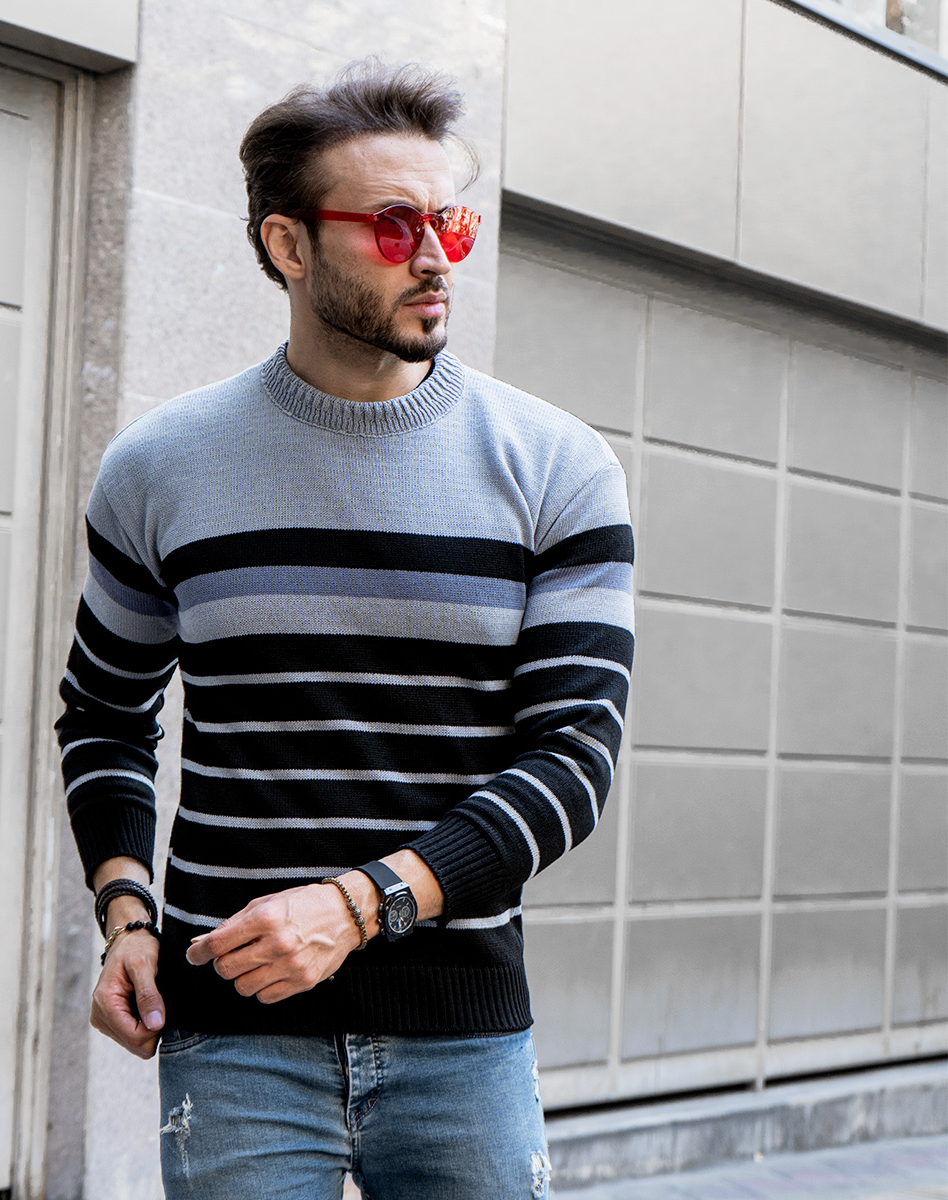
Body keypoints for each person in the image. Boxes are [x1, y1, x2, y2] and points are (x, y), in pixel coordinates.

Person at [57, 60, 634, 1200]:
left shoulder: (557, 467)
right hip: (233, 1035)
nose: (437, 257)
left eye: (451, 223)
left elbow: (574, 758)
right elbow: (104, 713)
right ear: (287, 244)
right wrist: (126, 913)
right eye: (395, 225)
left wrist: (359, 905)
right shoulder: (160, 468)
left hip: (462, 1036)